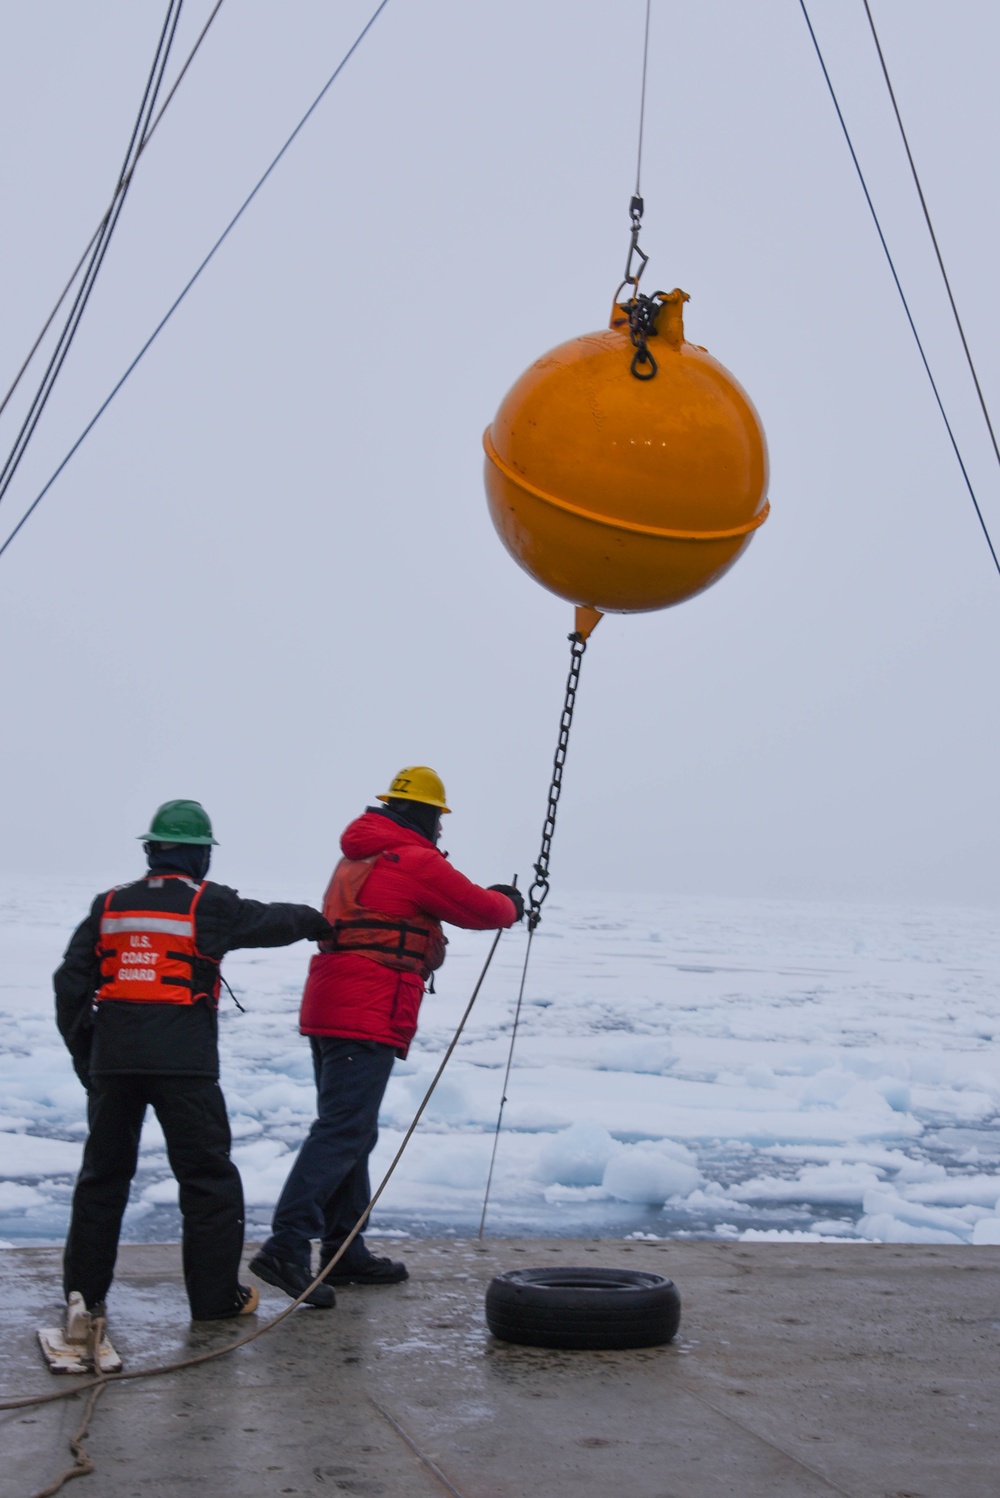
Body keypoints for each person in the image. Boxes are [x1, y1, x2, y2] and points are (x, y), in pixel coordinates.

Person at [250, 767, 522, 1304]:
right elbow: (478, 909)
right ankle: (286, 1245)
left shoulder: (357, 858)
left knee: (353, 1129)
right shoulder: (413, 859)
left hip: (332, 1002)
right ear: (425, 815)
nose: (442, 829)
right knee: (342, 1130)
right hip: (366, 1008)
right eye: (439, 818)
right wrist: (510, 900)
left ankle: (343, 1249)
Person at [54, 799, 335, 1322]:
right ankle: (213, 1301)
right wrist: (319, 923)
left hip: (114, 1063)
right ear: (201, 855)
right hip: (185, 1065)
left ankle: (83, 1298)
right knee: (208, 1182)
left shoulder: (108, 904)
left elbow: (69, 984)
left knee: (103, 1179)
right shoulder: (209, 903)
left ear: (151, 849)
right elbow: (271, 921)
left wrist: (87, 1060)